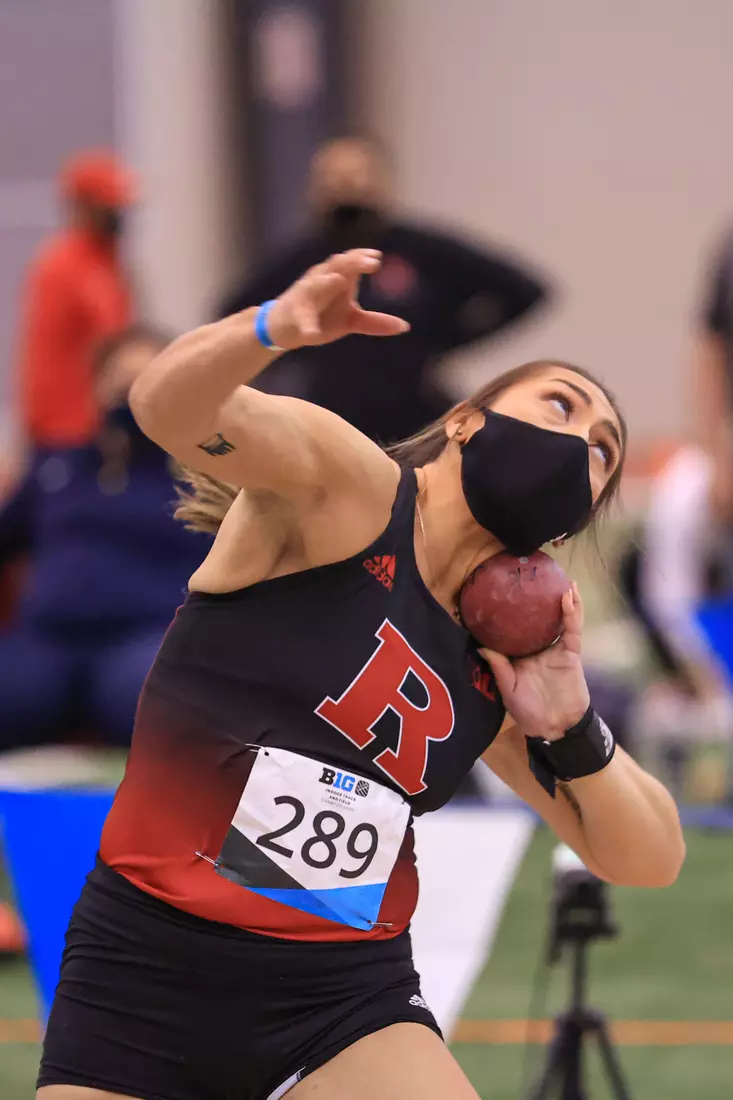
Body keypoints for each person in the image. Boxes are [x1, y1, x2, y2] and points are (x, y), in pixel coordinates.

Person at [38, 250, 684, 1100]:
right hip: (150, 964)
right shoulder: (347, 490)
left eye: (601, 452)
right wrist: (271, 328)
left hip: (342, 1000)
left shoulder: (496, 665)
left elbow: (647, 856)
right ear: (462, 420)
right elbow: (164, 406)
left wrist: (567, 722)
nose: (577, 443)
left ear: (572, 529)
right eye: (559, 405)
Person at [219, 133, 550, 444]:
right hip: (330, 419)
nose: (346, 186)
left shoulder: (424, 250)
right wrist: (294, 350)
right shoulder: (300, 262)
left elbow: (524, 290)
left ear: (382, 181)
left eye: (357, 174)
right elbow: (235, 314)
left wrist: (446, 340)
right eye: (332, 177)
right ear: (313, 189)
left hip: (416, 416)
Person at [0, 326, 210, 751]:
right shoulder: (55, 467)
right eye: (119, 380)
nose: (129, 394)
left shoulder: (198, 478)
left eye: (144, 380)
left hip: (144, 641)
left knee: (157, 715)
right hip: (45, 641)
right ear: (97, 386)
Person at [15, 150, 136, 452]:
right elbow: (112, 341)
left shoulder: (105, 262)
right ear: (83, 207)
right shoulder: (65, 266)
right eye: (110, 207)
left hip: (97, 426)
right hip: (70, 432)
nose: (118, 214)